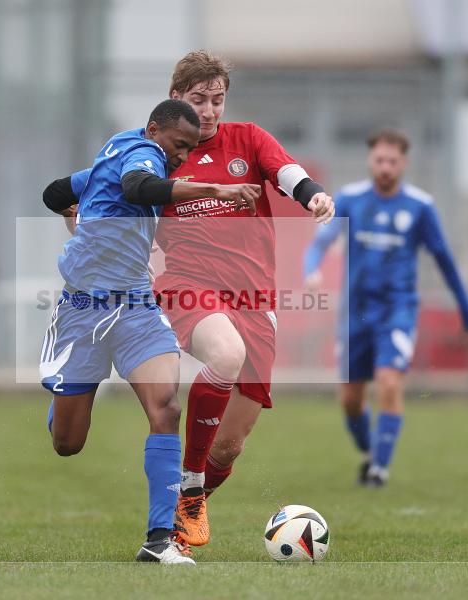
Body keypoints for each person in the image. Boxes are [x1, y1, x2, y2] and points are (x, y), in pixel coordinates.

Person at [39, 98, 262, 563]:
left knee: (166, 408)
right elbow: (140, 186)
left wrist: (76, 211)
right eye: (179, 144)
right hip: (84, 311)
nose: (182, 155)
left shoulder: (115, 156)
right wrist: (216, 191)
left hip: (137, 306)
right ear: (154, 129)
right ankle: (64, 398)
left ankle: (159, 541)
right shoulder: (141, 155)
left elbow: (56, 191)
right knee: (67, 444)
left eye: (190, 148)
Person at [154, 51, 335, 547]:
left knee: (231, 444)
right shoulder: (157, 150)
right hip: (188, 285)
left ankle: (179, 516)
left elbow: (287, 171)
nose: (210, 111)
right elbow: (121, 195)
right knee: (226, 355)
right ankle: (188, 491)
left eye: (217, 100)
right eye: (198, 100)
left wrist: (314, 195)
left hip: (254, 300)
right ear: (176, 99)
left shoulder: (248, 139)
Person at [303, 128, 468, 487]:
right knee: (351, 400)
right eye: (380, 160)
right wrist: (312, 270)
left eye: (392, 162)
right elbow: (320, 242)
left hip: (397, 309)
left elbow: (444, 259)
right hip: (355, 312)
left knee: (387, 382)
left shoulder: (420, 206)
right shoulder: (350, 199)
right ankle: (371, 453)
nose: (385, 167)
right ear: (370, 161)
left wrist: (466, 310)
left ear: (404, 163)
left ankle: (379, 470)